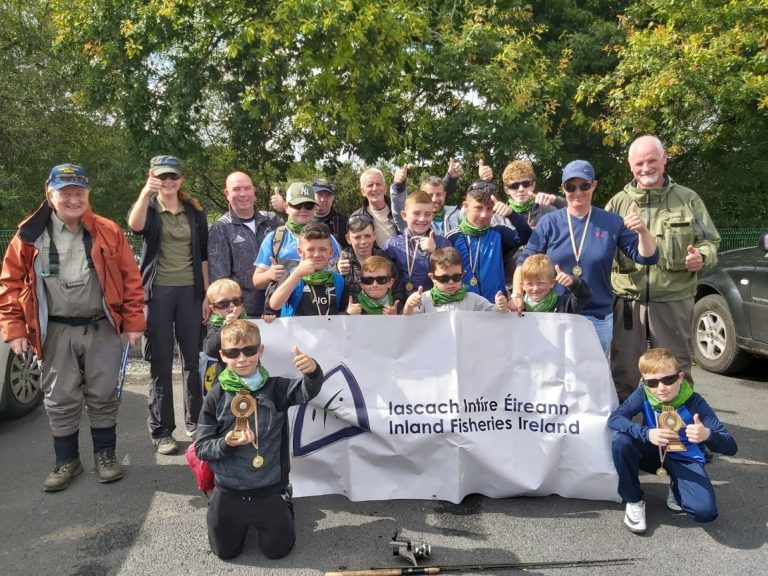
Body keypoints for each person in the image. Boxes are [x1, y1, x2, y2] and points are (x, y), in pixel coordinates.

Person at [0, 164, 145, 491]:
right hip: (55, 329)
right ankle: (67, 461)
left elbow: (131, 280)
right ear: (50, 194)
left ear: (87, 194)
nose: (73, 199)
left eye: (79, 192)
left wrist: (134, 321)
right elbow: (9, 283)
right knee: (59, 396)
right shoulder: (28, 234)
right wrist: (15, 328)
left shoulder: (108, 230)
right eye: (65, 193)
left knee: (104, 393)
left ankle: (105, 456)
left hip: (102, 325)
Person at [195, 320, 324, 560]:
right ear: (223, 356)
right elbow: (201, 448)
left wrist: (313, 371)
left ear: (260, 351)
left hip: (269, 488)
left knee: (277, 552)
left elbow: (308, 391)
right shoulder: (216, 395)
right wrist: (226, 443)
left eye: (249, 350)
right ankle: (219, 509)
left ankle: (284, 503)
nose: (242, 358)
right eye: (233, 353)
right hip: (229, 489)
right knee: (225, 552)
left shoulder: (275, 387)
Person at [606, 135, 721, 401]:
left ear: (664, 159)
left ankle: (679, 435)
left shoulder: (687, 200)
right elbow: (602, 251)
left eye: (651, 161)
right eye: (639, 163)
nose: (645, 168)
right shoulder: (617, 204)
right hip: (627, 302)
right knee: (623, 371)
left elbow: (711, 242)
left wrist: (702, 257)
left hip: (674, 300)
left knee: (674, 371)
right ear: (630, 166)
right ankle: (626, 434)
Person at [513, 160, 658, 357]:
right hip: (555, 314)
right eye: (570, 187)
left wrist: (642, 231)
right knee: (552, 376)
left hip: (596, 316)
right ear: (563, 188)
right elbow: (524, 261)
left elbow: (646, 257)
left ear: (594, 185)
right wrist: (517, 296)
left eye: (584, 185)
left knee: (592, 379)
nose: (577, 192)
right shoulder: (550, 222)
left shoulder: (611, 222)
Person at [128, 155, 209, 455]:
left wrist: (206, 296)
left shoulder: (194, 211)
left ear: (181, 179)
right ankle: (162, 431)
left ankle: (197, 424)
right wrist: (144, 193)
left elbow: (202, 257)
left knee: (193, 361)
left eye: (173, 176)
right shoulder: (148, 207)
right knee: (160, 362)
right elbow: (134, 227)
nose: (168, 181)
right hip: (158, 293)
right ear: (154, 177)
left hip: (190, 293)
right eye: (162, 177)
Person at [608, 348, 737, 533]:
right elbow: (615, 418)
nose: (661, 388)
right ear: (644, 382)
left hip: (684, 458)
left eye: (668, 379)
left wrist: (707, 434)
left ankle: (677, 484)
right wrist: (646, 433)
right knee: (622, 441)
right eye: (652, 382)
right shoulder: (645, 393)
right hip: (654, 452)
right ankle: (634, 500)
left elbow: (731, 446)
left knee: (705, 513)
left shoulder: (695, 401)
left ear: (680, 377)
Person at [208, 171, 282, 318]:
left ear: (254, 191)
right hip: (246, 313)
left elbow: (302, 241)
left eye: (247, 188)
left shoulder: (273, 220)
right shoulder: (221, 228)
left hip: (279, 307)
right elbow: (222, 280)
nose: (243, 194)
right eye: (236, 189)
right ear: (227, 193)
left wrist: (285, 208)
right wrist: (235, 311)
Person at [253, 182, 342, 300]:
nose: (303, 210)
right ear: (286, 207)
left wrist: (342, 268)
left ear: (315, 208)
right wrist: (269, 275)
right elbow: (257, 281)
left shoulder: (329, 239)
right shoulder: (274, 238)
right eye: (297, 205)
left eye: (308, 206)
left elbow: (339, 278)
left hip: (321, 312)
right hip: (284, 314)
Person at [447, 181, 532, 303]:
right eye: (478, 208)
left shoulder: (498, 233)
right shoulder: (452, 237)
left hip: (496, 306)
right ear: (465, 206)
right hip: (464, 308)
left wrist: (511, 214)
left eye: (489, 209)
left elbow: (527, 237)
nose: (484, 215)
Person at [267, 222, 349, 317]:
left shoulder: (338, 280)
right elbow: (275, 305)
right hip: (294, 331)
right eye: (310, 249)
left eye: (322, 249)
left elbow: (340, 314)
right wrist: (298, 274)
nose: (317, 254)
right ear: (300, 252)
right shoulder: (291, 275)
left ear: (330, 252)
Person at [383, 190, 452, 295]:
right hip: (403, 305)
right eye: (416, 213)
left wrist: (435, 252)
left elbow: (453, 275)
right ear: (404, 215)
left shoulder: (443, 243)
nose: (422, 219)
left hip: (435, 305)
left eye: (427, 214)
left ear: (432, 216)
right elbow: (384, 279)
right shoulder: (392, 246)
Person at [403, 247, 509, 314]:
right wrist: (408, 306)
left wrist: (502, 307)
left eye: (456, 277)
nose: (451, 282)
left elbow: (497, 318)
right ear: (432, 278)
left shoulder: (473, 299)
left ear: (463, 274)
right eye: (444, 278)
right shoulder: (424, 299)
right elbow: (408, 325)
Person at [389, 159, 465, 234]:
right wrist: (399, 187)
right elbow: (399, 211)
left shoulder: (457, 216)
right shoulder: (417, 221)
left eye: (438, 194)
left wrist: (451, 178)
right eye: (429, 195)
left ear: (444, 195)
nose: (434, 199)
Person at [270, 176, 349, 248]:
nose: (323, 199)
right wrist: (285, 210)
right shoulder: (276, 235)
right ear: (311, 195)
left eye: (328, 195)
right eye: (319, 194)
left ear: (333, 197)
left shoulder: (344, 222)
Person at [518, 254, 591, 314]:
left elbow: (583, 296)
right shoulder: (519, 307)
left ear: (552, 283)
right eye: (530, 284)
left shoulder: (564, 305)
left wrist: (574, 283)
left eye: (541, 283)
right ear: (523, 286)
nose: (536, 288)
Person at [336, 213, 388, 296]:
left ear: (374, 236)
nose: (363, 241)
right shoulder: (339, 264)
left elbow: (397, 294)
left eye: (367, 236)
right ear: (348, 239)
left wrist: (393, 308)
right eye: (357, 237)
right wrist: (336, 271)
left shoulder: (386, 262)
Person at [203, 278, 248, 368]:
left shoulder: (248, 322)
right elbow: (209, 349)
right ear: (213, 309)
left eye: (236, 301)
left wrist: (268, 318)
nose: (231, 305)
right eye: (223, 303)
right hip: (225, 375)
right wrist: (225, 327)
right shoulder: (216, 325)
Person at [350, 167, 398, 248]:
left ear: (385, 188)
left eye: (378, 184)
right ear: (363, 191)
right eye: (370, 185)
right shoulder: (356, 218)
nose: (375, 188)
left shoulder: (399, 212)